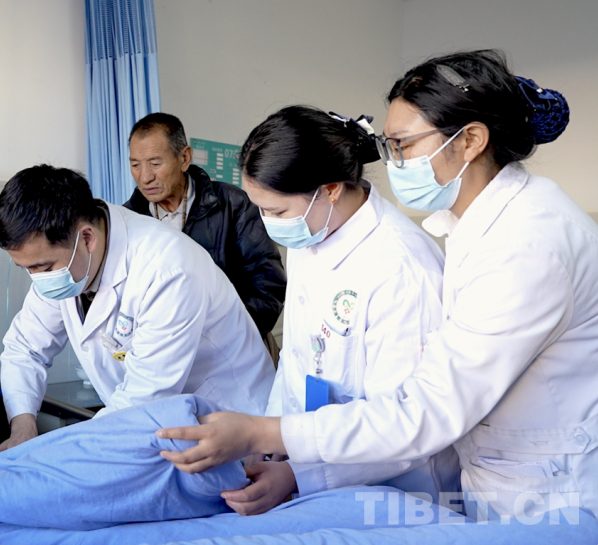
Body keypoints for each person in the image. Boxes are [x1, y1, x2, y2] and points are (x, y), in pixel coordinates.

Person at [157, 50, 598, 522]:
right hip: (483, 472)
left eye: (402, 145)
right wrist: (278, 447)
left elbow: (423, 413)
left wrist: (265, 435)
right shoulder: (467, 227)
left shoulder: (521, 246)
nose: (392, 163)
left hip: (539, 488)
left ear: (470, 140)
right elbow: (300, 361)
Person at [192, 105, 458, 516]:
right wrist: (270, 445)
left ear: (330, 189)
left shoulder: (401, 267)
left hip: (397, 492)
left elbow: (404, 424)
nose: (267, 223)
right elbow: (297, 361)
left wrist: (299, 474)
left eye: (277, 212)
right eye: (260, 208)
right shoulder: (313, 234)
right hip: (313, 468)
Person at [0, 164, 274, 454]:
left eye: (44, 268)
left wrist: (49, 455)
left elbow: (145, 396)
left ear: (87, 238)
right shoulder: (67, 262)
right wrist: (22, 429)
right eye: (27, 269)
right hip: (162, 425)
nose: (39, 279)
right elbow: (25, 348)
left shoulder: (167, 269)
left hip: (234, 423)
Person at [124, 113, 287, 347]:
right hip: (163, 350)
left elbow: (268, 282)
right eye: (135, 165)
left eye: (155, 164)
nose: (145, 177)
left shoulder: (233, 204)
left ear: (184, 158)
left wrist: (223, 337)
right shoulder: (128, 220)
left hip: (236, 347)